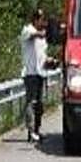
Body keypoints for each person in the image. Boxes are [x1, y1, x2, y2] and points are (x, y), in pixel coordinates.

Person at [20, 9, 49, 143]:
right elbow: (32, 35)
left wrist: (49, 61)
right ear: (36, 20)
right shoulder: (27, 30)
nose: (43, 23)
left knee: (39, 105)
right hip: (30, 73)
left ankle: (37, 130)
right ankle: (31, 132)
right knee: (31, 102)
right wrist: (41, 34)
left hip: (40, 72)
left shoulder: (42, 38)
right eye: (42, 20)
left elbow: (41, 55)